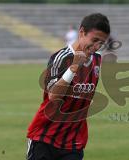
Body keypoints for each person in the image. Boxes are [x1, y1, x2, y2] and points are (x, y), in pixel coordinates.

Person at [26, 13, 110, 160]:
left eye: (101, 43)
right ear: (82, 32)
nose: (97, 47)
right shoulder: (60, 57)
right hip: (45, 137)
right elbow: (53, 96)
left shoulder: (97, 60)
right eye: (94, 40)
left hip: (73, 142)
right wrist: (74, 67)